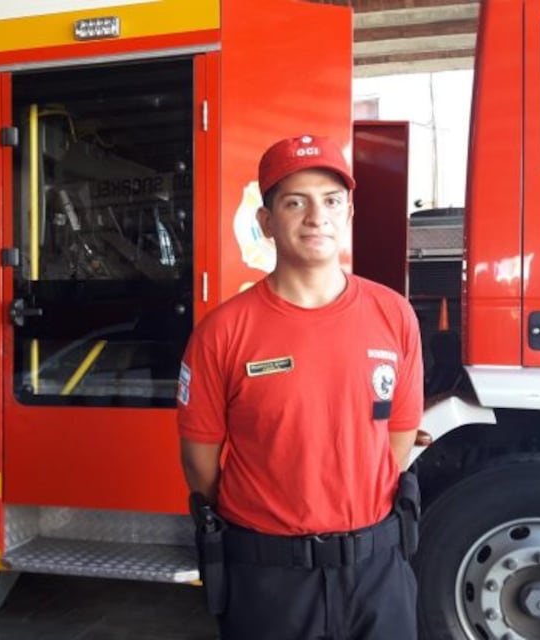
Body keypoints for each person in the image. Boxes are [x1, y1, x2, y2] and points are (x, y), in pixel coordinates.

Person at [177, 134, 423, 640]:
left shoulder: (393, 314)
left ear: (349, 214)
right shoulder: (222, 332)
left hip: (377, 573)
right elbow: (200, 463)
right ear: (266, 222)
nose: (317, 217)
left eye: (331, 201)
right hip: (269, 579)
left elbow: (397, 438)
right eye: (295, 202)